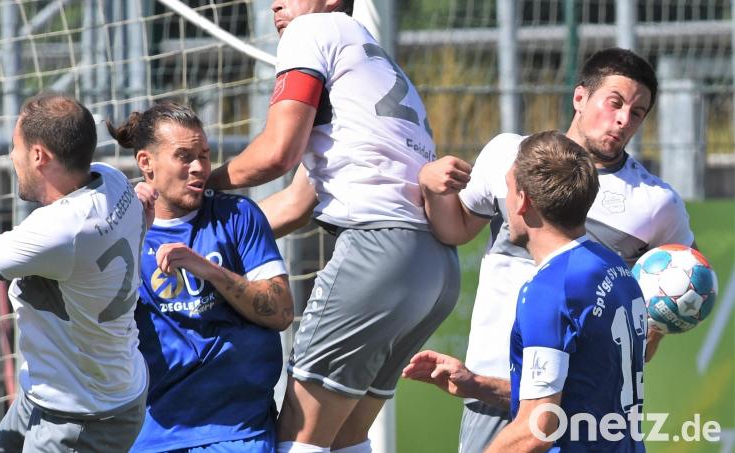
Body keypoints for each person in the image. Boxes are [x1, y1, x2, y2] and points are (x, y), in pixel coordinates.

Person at [405, 47, 694, 452]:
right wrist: (430, 184)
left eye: (638, 112)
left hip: (576, 399)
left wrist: (654, 328)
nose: (624, 120)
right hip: (491, 384)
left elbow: (682, 278)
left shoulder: (655, 202)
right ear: (580, 97)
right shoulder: (511, 156)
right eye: (615, 103)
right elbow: (454, 229)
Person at [207, 1, 461, 452]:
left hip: (378, 254)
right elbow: (295, 204)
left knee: (299, 438)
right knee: (346, 439)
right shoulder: (366, 57)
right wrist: (208, 235)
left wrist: (197, 188)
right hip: (434, 269)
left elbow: (277, 153)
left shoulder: (311, 31)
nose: (275, 4)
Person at [0, 93, 149, 452]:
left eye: (14, 147)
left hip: (83, 415)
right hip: (58, 392)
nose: (10, 157)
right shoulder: (112, 181)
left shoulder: (61, 232)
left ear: (38, 156)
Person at [408, 131, 647, 451]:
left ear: (523, 200)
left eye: (508, 188)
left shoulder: (549, 290)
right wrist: (475, 383)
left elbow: (537, 429)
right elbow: (574, 395)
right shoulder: (615, 269)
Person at [108, 102, 294, 453]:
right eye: (184, 156)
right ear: (146, 162)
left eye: (204, 156)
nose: (199, 168)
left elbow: (282, 312)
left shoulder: (237, 215)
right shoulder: (117, 233)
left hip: (237, 432)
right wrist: (132, 230)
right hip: (151, 432)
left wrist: (210, 270)